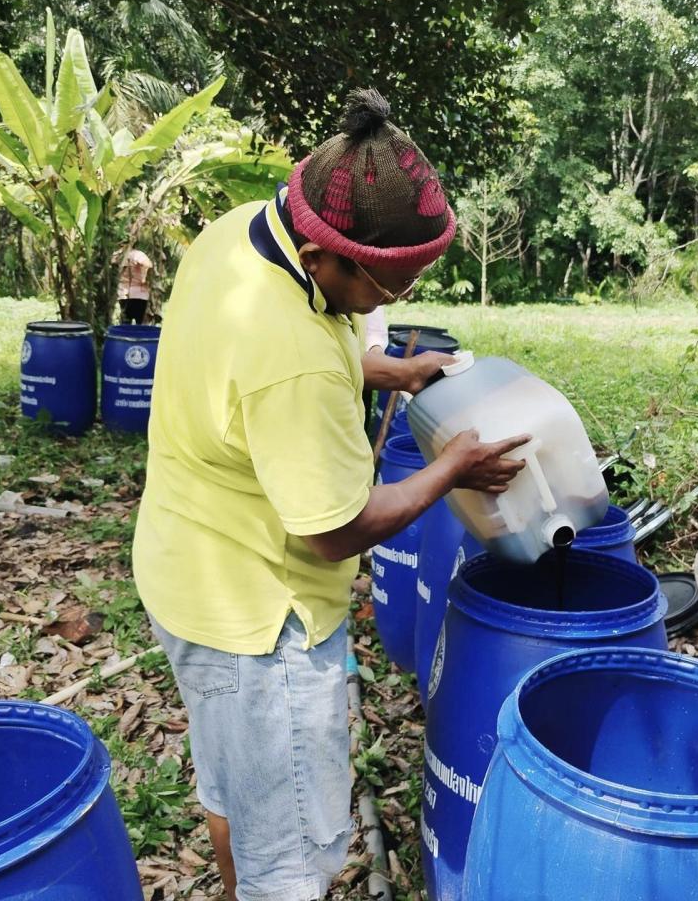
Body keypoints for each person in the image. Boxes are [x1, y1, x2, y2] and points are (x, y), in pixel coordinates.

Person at [132, 88, 528, 901]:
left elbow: (249, 370)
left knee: (230, 789)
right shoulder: (296, 355)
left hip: (183, 573)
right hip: (257, 621)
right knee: (293, 864)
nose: (398, 301)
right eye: (387, 289)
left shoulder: (238, 234)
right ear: (324, 259)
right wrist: (451, 469)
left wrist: (390, 368)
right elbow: (333, 530)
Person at [117, 247, 153, 323]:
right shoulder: (137, 254)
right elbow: (148, 264)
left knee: (125, 323)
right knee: (140, 323)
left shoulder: (119, 254)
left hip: (123, 293)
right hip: (139, 294)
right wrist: (144, 278)